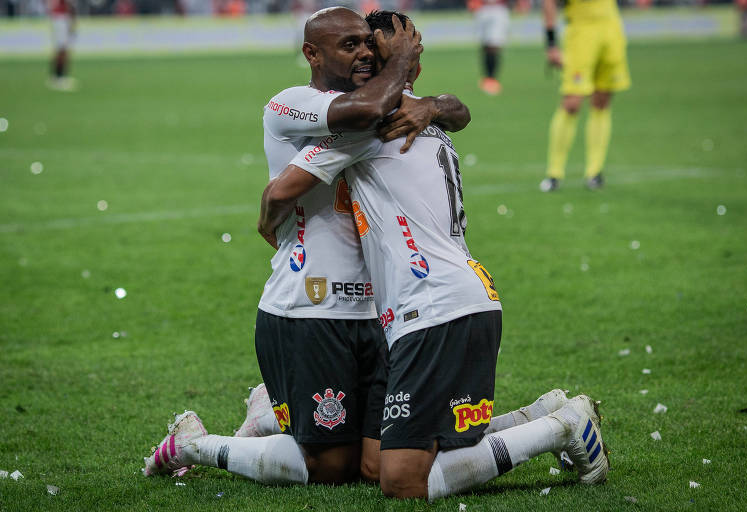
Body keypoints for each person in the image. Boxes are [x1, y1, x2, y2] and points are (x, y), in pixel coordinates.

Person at [259, 10, 610, 501]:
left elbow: (283, 190)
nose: (365, 60)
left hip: (434, 303)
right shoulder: (418, 115)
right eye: (356, 50)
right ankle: (534, 419)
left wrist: (267, 218)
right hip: (440, 299)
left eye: (372, 55)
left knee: (400, 481)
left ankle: (560, 428)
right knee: (376, 460)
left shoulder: (375, 127)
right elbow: (458, 110)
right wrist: (430, 96)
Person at [143, 7, 466, 487]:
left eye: (367, 44)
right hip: (312, 308)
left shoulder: (386, 103)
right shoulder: (294, 102)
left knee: (375, 462)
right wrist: (402, 63)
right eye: (349, 44)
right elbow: (356, 121)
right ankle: (192, 443)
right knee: (331, 468)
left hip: (383, 309)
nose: (363, 53)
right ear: (312, 53)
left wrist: (433, 103)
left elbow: (457, 111)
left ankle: (270, 414)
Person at [539, 0, 631, 191]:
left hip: (611, 27)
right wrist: (551, 44)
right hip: (581, 31)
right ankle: (554, 173)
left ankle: (594, 172)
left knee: (602, 102)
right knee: (571, 103)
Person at [468, 0, 509, 95]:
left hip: (498, 8)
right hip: (482, 8)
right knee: (485, 46)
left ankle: (492, 78)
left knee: (494, 45)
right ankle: (487, 78)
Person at [47, 0, 77, 91]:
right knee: (62, 49)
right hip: (61, 18)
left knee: (62, 49)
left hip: (61, 17)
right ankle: (59, 77)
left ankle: (58, 76)